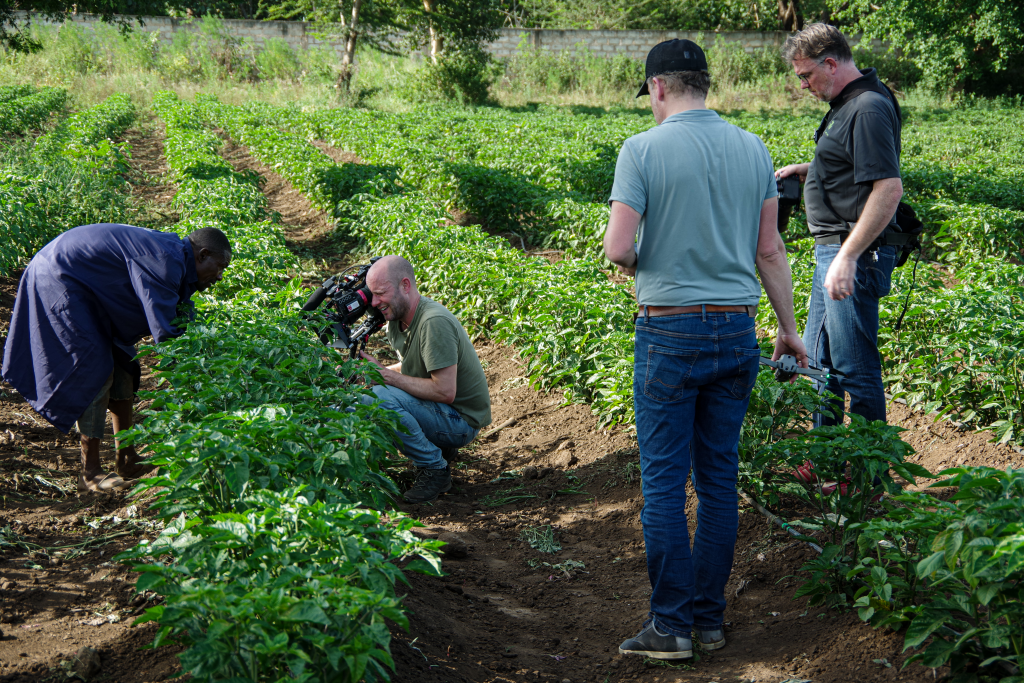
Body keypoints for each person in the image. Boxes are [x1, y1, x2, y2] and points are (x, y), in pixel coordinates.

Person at [603, 39, 807, 661]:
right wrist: (788, 329)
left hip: (669, 331)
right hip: (737, 329)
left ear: (659, 87)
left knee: (664, 484)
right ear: (702, 82)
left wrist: (644, 260)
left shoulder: (642, 150)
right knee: (718, 481)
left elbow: (617, 249)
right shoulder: (752, 148)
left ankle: (670, 628)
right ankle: (709, 622)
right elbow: (770, 250)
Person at [2, 224, 232, 492]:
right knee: (93, 368)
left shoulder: (178, 260)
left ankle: (127, 458)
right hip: (59, 277)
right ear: (202, 255)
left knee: (124, 362)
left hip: (88, 287)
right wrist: (203, 380)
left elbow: (182, 314)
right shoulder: (165, 262)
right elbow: (168, 335)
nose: (220, 276)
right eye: (220, 267)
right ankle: (89, 474)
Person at [774, 23, 905, 430]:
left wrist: (848, 256)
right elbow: (857, 164)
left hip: (851, 252)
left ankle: (870, 477)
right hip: (833, 250)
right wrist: (811, 170)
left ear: (830, 63)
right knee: (819, 360)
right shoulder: (848, 104)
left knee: (854, 367)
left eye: (806, 76)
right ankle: (826, 456)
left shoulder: (867, 107)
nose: (803, 86)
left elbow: (888, 187)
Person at [358, 255, 491, 504]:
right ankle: (439, 447)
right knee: (370, 393)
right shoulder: (398, 320)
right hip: (443, 411)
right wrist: (379, 371)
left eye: (381, 293)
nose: (375, 302)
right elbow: (413, 367)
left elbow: (444, 391)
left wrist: (386, 377)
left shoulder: (433, 322)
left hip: (461, 420)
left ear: (405, 285)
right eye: (371, 295)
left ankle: (435, 469)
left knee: (377, 399)